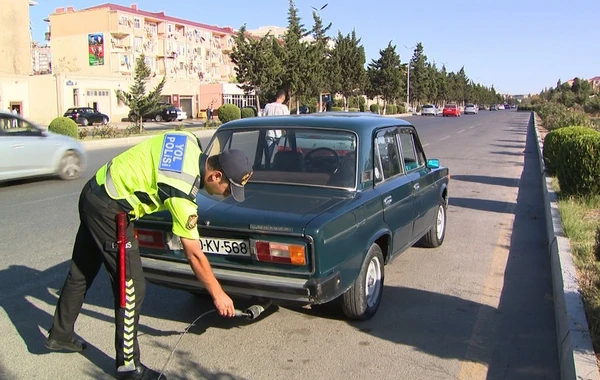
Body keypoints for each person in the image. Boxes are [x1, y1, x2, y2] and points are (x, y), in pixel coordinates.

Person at [45, 130, 253, 380]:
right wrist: (218, 295)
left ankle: (60, 334)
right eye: (228, 189)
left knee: (82, 270)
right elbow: (194, 255)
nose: (226, 194)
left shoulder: (187, 139)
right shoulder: (182, 192)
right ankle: (128, 368)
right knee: (131, 285)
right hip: (111, 210)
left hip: (95, 191)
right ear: (215, 175)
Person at [262, 90, 290, 164]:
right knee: (283, 155)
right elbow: (287, 122)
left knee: (268, 157)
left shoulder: (267, 106)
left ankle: (267, 170)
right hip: (280, 135)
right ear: (283, 98)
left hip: (269, 134)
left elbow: (263, 119)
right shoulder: (284, 108)